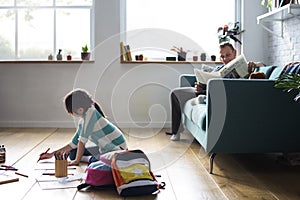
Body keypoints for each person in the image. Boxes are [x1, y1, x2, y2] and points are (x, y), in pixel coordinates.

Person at [166, 43, 265, 141]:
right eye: (222, 56)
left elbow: (263, 66)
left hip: (221, 95)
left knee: (208, 94)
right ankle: (176, 132)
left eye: (228, 55)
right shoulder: (219, 68)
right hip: (204, 91)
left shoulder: (246, 67)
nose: (225, 59)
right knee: (175, 93)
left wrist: (256, 64)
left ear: (234, 53)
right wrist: (198, 86)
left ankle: (202, 99)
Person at [38, 88, 128, 166]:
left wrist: (77, 161)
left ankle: (88, 159)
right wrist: (51, 154)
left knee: (99, 160)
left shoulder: (91, 115)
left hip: (117, 151)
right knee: (72, 153)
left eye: (70, 112)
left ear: (80, 109)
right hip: (106, 148)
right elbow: (73, 143)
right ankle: (87, 158)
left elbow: (82, 142)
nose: (70, 114)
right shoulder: (84, 119)